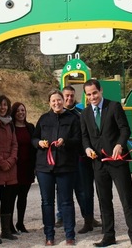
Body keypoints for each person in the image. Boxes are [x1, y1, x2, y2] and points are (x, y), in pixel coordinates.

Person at [80, 79, 132, 248]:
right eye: (89, 94)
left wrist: (120, 144)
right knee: (104, 200)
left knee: (126, 199)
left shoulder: (114, 107)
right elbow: (84, 137)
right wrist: (87, 149)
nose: (92, 97)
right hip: (98, 164)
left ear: (100, 91)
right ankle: (109, 235)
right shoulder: (85, 114)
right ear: (86, 96)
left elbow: (125, 129)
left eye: (94, 93)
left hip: (117, 162)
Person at [32, 89, 81, 246]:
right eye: (53, 101)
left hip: (66, 166)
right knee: (47, 202)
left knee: (66, 201)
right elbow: (34, 138)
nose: (57, 103)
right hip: (44, 168)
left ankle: (69, 235)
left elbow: (78, 140)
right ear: (49, 103)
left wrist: (65, 141)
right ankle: (49, 235)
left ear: (63, 101)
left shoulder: (73, 119)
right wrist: (39, 143)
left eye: (59, 100)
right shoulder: (43, 119)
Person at [55, 85, 102, 233]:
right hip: (63, 159)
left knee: (85, 190)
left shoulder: (81, 113)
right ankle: (61, 216)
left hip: (81, 158)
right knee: (62, 190)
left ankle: (88, 218)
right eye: (66, 96)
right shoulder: (54, 114)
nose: (69, 98)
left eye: (71, 96)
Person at [0, 94, 19, 243]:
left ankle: (6, 231)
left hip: (10, 167)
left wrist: (11, 160)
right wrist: (2, 162)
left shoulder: (10, 124)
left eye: (5, 105)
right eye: (0, 105)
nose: (3, 107)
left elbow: (14, 144)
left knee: (7, 200)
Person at [10, 102, 36, 234]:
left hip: (27, 168)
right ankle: (9, 225)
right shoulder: (10, 127)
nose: (21, 113)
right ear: (13, 113)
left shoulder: (30, 127)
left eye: (23, 110)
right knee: (11, 197)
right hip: (14, 168)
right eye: (18, 111)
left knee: (23, 197)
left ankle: (20, 223)